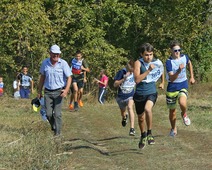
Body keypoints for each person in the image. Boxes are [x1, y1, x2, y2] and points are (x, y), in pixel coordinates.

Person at [133, 43, 164, 149]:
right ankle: (143, 135)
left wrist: (163, 82)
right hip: (139, 94)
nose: (149, 57)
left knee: (148, 109)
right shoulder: (138, 63)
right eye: (146, 55)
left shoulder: (156, 62)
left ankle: (150, 133)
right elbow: (137, 80)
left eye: (151, 54)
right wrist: (148, 70)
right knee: (141, 118)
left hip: (151, 92)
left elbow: (161, 69)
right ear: (141, 54)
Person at [37, 44, 72, 136]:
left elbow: (69, 78)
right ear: (50, 53)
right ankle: (54, 125)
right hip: (48, 91)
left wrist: (66, 90)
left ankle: (58, 134)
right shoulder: (45, 63)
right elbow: (42, 77)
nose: (56, 55)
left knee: (57, 114)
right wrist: (39, 91)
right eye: (54, 54)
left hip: (59, 92)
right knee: (48, 113)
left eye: (57, 54)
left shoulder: (63, 63)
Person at [166, 40, 195, 137]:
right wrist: (179, 70)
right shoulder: (169, 62)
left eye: (179, 50)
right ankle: (173, 128)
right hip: (172, 87)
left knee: (182, 102)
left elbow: (189, 63)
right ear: (171, 51)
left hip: (183, 85)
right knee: (172, 111)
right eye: (175, 50)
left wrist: (191, 77)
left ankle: (184, 114)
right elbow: (171, 78)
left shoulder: (184, 57)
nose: (177, 52)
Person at [114, 60, 136, 136]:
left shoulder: (135, 72)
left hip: (131, 95)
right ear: (128, 66)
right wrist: (124, 78)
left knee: (130, 107)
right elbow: (115, 84)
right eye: (131, 68)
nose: (132, 70)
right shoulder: (121, 72)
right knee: (123, 112)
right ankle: (124, 117)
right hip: (121, 96)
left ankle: (132, 129)